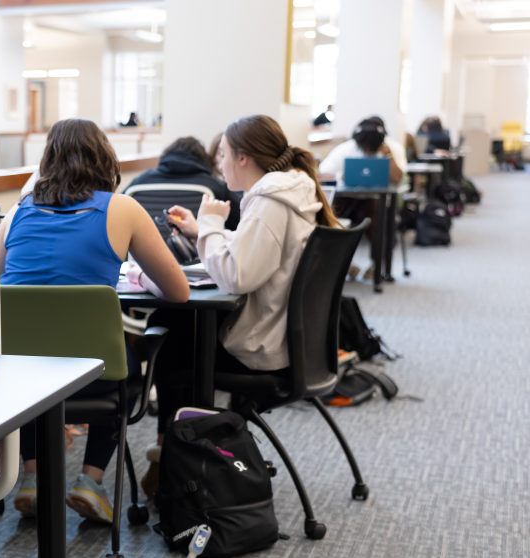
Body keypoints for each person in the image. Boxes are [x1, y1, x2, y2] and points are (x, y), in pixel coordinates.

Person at [0, 118, 188, 523]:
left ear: (47, 161)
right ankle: (91, 482)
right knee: (125, 369)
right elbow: (179, 291)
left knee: (30, 360)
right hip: (93, 374)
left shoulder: (17, 212)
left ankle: (32, 479)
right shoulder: (123, 209)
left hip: (21, 374)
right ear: (105, 159)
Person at [142, 114, 342, 497]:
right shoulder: (291, 192)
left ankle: (175, 453)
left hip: (263, 347)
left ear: (244, 158)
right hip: (296, 344)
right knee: (179, 326)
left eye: (223, 154)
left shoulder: (269, 200)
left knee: (169, 332)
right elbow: (258, 252)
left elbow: (237, 276)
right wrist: (203, 231)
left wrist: (213, 226)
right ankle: (175, 450)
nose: (219, 163)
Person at [318, 115, 405, 277]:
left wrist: (389, 157)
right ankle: (343, 264)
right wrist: (340, 177)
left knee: (378, 220)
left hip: (375, 201)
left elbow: (398, 180)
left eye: (370, 148)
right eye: (363, 147)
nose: (366, 151)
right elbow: (322, 174)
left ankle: (377, 266)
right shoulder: (346, 149)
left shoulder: (393, 149)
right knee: (328, 217)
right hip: (345, 199)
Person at [126, 135, 242, 231]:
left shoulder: (139, 182)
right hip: (197, 256)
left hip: (142, 256)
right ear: (204, 160)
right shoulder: (215, 185)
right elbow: (240, 225)